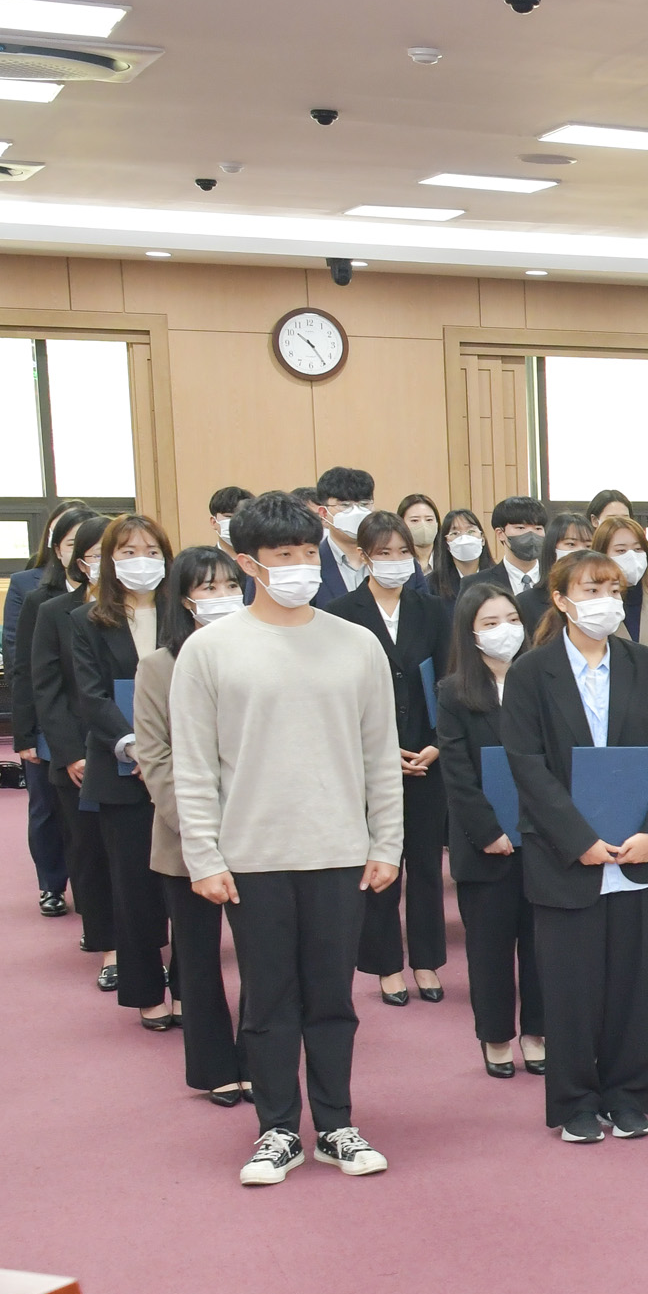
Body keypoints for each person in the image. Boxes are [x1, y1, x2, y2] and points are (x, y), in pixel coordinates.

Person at [172, 491, 402, 1186]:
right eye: (284, 555)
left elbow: (380, 755)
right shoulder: (209, 651)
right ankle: (276, 1130)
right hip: (253, 856)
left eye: (309, 552)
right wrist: (203, 857)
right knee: (268, 1002)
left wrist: (386, 844)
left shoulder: (356, 644)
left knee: (332, 1000)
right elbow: (194, 767)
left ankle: (335, 1125)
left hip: (340, 851)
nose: (301, 565)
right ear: (248, 563)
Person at [503, 547, 648, 1142]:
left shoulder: (644, 664)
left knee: (637, 984)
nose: (604, 601)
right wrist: (578, 838)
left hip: (639, 852)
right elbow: (526, 764)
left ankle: (629, 1094)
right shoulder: (531, 673)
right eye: (590, 590)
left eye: (612, 590)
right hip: (566, 856)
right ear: (561, 599)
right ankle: (577, 1101)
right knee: (571, 987)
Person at [131, 543, 250, 1105]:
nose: (222, 597)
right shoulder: (158, 666)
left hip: (257, 831)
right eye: (209, 588)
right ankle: (213, 1067)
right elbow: (154, 758)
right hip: (186, 836)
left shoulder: (257, 653)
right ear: (184, 599)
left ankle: (257, 1059)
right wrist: (199, 829)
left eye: (231, 586)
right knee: (198, 959)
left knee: (261, 960)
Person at [329, 511, 452, 1006]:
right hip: (371, 760)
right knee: (381, 864)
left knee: (426, 865)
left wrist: (439, 742)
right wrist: (376, 752)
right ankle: (385, 964)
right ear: (364, 557)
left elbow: (451, 680)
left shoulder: (434, 610)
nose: (396, 561)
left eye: (404, 552)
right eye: (384, 553)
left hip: (427, 754)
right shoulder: (340, 613)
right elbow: (337, 695)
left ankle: (426, 960)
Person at [433, 581, 547, 1080]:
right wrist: (488, 831)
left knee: (541, 946)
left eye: (512, 620)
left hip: (542, 840)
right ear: (471, 632)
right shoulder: (454, 693)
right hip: (486, 845)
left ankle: (538, 1032)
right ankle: (496, 1036)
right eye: (491, 623)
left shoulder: (543, 681)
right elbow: (457, 774)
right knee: (490, 949)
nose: (506, 631)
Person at [67, 513, 176, 1028]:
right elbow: (90, 697)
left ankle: (190, 986)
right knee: (133, 887)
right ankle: (145, 990)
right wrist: (135, 747)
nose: (142, 562)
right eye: (129, 553)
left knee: (185, 887)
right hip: (121, 769)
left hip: (183, 766)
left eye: (152, 552)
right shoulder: (87, 621)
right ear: (109, 561)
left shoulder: (184, 613)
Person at [31, 517, 117, 986]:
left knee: (136, 857)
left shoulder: (154, 609)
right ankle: (108, 947)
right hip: (80, 753)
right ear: (81, 563)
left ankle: (146, 942)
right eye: (99, 554)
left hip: (141, 751)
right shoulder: (54, 611)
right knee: (89, 852)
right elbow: (47, 689)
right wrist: (69, 753)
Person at [6, 505, 96, 918]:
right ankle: (51, 884)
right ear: (57, 549)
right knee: (48, 805)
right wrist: (24, 733)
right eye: (73, 543)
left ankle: (92, 888)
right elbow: (23, 666)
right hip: (49, 718)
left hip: (94, 718)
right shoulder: (38, 596)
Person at [595, 512, 648, 649]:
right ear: (601, 556)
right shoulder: (590, 611)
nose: (632, 556)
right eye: (621, 550)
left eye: (638, 549)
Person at [312, 466, 378, 604]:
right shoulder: (312, 565)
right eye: (345, 505)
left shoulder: (397, 558)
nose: (356, 513)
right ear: (324, 513)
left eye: (364, 504)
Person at [489, 495, 549, 598]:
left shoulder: (560, 579)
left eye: (538, 528)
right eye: (521, 528)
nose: (531, 534)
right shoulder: (477, 582)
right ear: (500, 533)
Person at [429, 506, 491, 595]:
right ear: (447, 544)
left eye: (470, 531)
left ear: (482, 539)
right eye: (455, 533)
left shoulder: (500, 577)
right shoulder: (432, 583)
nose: (464, 538)